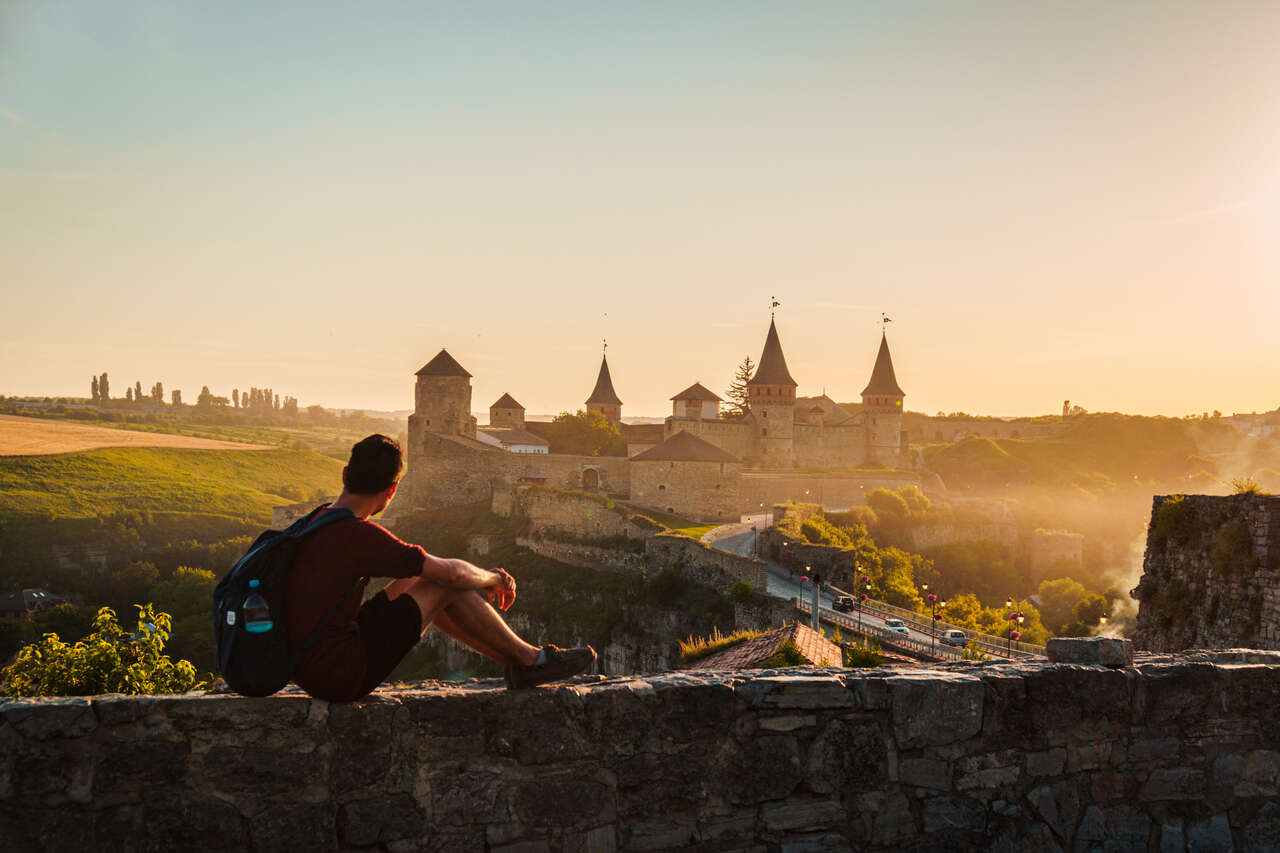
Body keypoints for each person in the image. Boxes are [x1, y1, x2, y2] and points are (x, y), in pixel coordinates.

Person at [284, 433, 595, 701]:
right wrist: (494, 577)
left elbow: (426, 569)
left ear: (344, 475)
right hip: (339, 674)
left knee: (421, 575)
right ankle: (531, 659)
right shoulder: (358, 534)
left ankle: (515, 663)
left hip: (309, 662)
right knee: (446, 583)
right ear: (392, 490)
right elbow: (455, 575)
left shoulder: (314, 520)